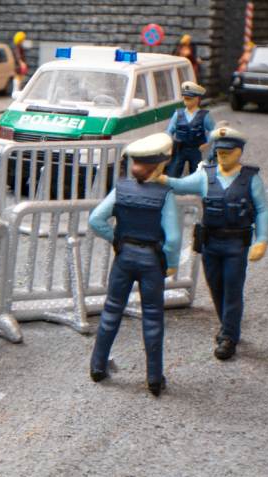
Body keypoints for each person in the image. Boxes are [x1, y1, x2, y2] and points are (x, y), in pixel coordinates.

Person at [160, 127, 268, 361]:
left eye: (228, 152)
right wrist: (159, 177)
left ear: (239, 151)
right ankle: (227, 325)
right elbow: (179, 185)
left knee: (232, 288)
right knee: (216, 287)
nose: (223, 156)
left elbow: (262, 209)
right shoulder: (205, 176)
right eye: (220, 152)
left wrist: (262, 240)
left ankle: (229, 336)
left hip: (236, 244)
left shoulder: (251, 179)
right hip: (211, 243)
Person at [87, 133, 181, 397]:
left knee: (111, 311)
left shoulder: (121, 189)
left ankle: (97, 366)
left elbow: (96, 220)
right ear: (160, 165)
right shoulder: (165, 196)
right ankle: (154, 378)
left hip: (124, 257)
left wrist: (116, 240)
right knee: (152, 317)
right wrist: (171, 263)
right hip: (152, 261)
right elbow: (173, 238)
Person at [165, 81, 215, 178]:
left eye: (189, 98)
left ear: (197, 99)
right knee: (173, 171)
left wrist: (207, 143)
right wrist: (169, 144)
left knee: (197, 172)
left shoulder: (204, 115)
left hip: (196, 149)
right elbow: (169, 131)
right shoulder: (178, 114)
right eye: (185, 98)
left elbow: (213, 130)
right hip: (180, 149)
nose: (186, 101)